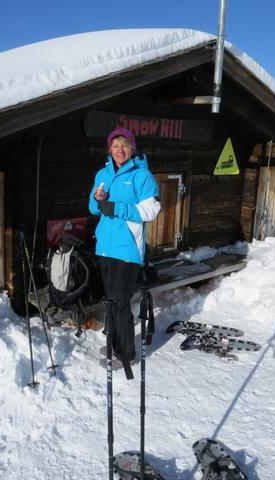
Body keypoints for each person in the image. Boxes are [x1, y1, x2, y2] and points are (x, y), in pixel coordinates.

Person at [89, 127, 161, 369]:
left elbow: (151, 210)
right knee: (110, 301)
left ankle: (126, 353)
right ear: (109, 149)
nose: (120, 150)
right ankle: (115, 342)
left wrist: (116, 207)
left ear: (132, 149)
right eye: (115, 145)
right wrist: (98, 200)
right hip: (105, 248)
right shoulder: (103, 174)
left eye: (125, 145)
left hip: (127, 250)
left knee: (120, 303)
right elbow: (92, 207)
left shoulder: (142, 176)